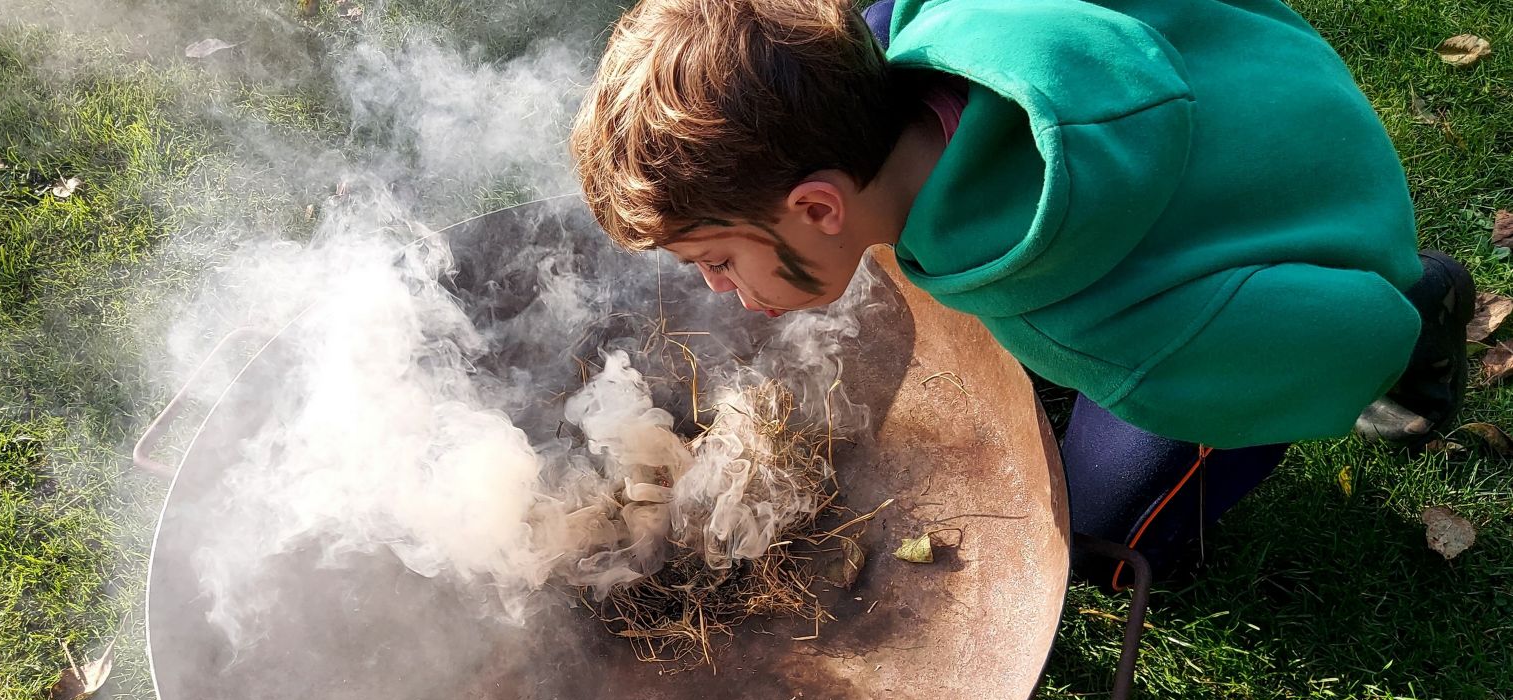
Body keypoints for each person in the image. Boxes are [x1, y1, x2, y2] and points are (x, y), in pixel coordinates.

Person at [568, 0, 1475, 588]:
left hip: (1309, 237)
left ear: (817, 205)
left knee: (1101, 542)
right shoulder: (876, 36)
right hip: (1255, 79)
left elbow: (1336, 342)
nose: (719, 291)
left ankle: (1430, 293)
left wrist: (1390, 320)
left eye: (717, 261)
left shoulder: (1111, 335)